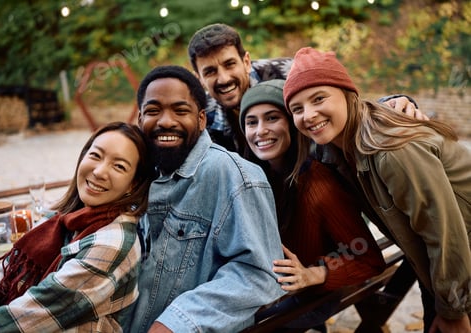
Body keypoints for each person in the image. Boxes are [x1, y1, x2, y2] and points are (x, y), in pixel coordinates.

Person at [283, 46, 471, 333]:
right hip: (440, 271)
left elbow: (443, 232)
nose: (308, 115)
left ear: (347, 94)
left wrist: (454, 310)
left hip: (461, 268)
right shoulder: (335, 152)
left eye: (318, 98)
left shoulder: (390, 149)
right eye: (297, 109)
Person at [126, 65, 285, 333]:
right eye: (153, 111)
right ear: (140, 118)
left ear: (202, 119)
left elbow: (259, 275)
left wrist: (176, 322)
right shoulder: (134, 171)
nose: (166, 121)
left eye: (180, 110)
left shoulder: (235, 176)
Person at [0, 121, 153, 332]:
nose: (99, 171)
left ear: (133, 184)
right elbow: (1, 277)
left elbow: (34, 312)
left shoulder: (114, 242)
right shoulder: (60, 218)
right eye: (95, 155)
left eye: (119, 166)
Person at [239, 79, 386, 331]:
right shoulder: (254, 177)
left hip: (311, 298)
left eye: (272, 118)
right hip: (267, 291)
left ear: (293, 125)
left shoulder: (319, 186)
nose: (260, 130)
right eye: (252, 122)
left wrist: (312, 274)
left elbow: (366, 255)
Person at [187, 22, 425, 156]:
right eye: (210, 72)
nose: (223, 78)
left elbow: (345, 106)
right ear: (199, 78)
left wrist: (391, 104)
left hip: (319, 171)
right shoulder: (203, 115)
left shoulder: (287, 73)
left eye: (230, 64)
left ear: (246, 61)